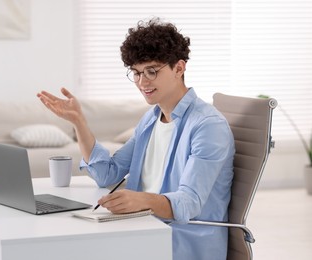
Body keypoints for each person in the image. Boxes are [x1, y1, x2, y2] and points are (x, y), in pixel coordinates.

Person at [37, 18, 234, 260]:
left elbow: (188, 203)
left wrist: (139, 199)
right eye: (137, 73)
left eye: (151, 71)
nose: (142, 82)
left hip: (180, 240)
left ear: (179, 68)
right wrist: (79, 122)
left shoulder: (207, 125)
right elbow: (107, 174)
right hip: (142, 227)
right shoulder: (151, 120)